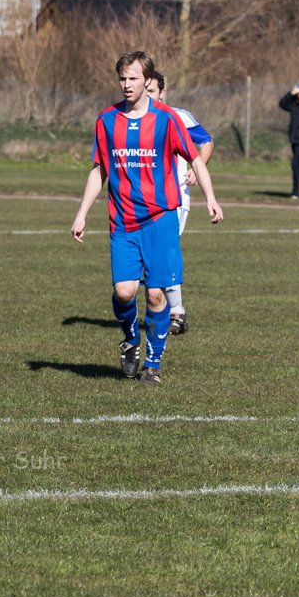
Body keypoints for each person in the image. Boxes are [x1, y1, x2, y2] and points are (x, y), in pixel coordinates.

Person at [70, 51, 223, 385]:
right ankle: (130, 341)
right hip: (122, 220)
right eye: (122, 79)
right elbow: (100, 169)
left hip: (160, 219)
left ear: (147, 80)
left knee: (156, 295)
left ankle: (153, 365)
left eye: (133, 78)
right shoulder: (106, 120)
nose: (127, 85)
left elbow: (195, 158)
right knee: (124, 292)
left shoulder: (167, 119)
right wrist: (81, 213)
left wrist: (210, 198)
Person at [145, 71, 213, 335]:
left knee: (162, 251)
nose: (147, 95)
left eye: (152, 91)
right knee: (154, 254)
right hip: (144, 199)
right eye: (144, 89)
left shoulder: (177, 116)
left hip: (175, 198)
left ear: (163, 93)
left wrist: (197, 169)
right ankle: (173, 312)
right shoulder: (133, 119)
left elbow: (206, 142)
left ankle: (173, 313)